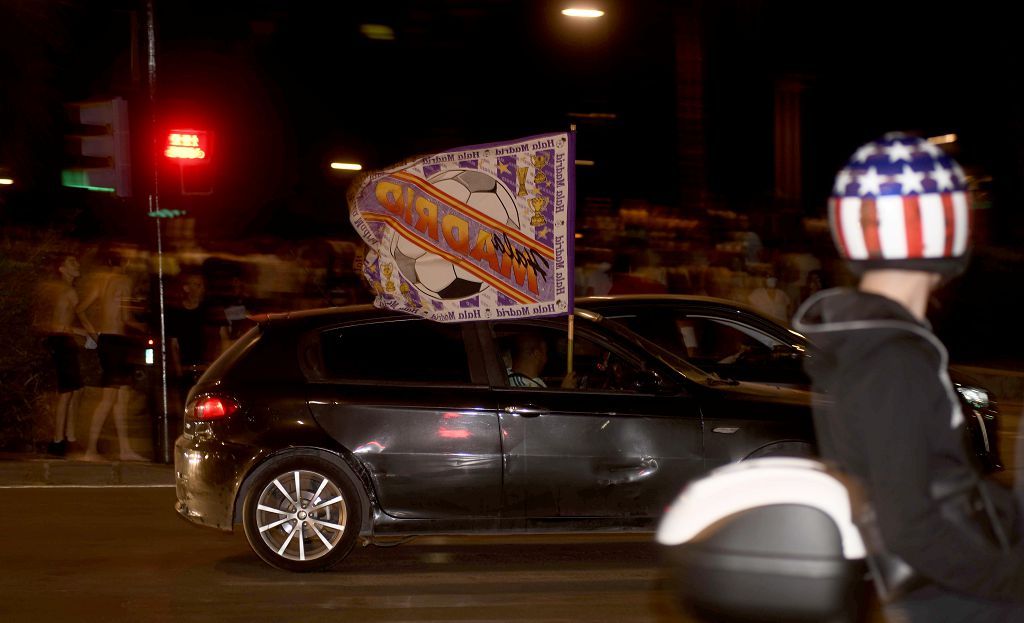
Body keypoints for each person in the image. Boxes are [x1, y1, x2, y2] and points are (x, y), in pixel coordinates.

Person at [792, 132, 1024, 621]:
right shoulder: (891, 359)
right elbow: (911, 526)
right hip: (958, 602)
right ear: (946, 224)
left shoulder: (868, 342)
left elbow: (939, 483)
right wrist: (1011, 579)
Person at [76, 249, 147, 461]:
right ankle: (90, 451)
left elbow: (80, 309)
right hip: (117, 341)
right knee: (109, 398)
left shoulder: (101, 282)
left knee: (121, 398)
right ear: (124, 263)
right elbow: (126, 318)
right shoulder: (124, 280)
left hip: (106, 340)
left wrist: (94, 333)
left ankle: (125, 449)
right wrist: (143, 327)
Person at [36, 255, 86, 456]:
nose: (78, 264)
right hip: (62, 341)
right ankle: (58, 441)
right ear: (61, 268)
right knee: (67, 392)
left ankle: (69, 438)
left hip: (62, 341)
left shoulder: (59, 290)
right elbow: (60, 322)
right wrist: (83, 332)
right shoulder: (67, 292)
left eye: (77, 261)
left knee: (74, 390)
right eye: (72, 262)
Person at [506, 332, 576, 389]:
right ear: (537, 354)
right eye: (545, 353)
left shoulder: (530, 382)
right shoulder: (521, 387)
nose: (546, 359)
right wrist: (564, 392)